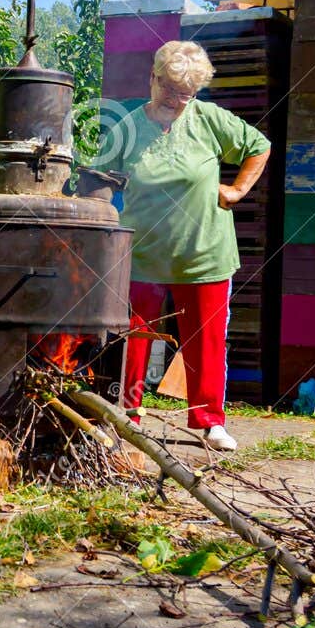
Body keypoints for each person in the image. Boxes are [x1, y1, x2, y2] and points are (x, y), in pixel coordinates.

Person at [113, 40, 271, 451]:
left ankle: (210, 422)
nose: (179, 100)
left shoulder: (209, 119)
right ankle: (125, 413)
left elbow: (259, 146)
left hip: (203, 252)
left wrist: (237, 190)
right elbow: (101, 177)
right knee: (132, 335)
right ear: (153, 78)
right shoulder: (128, 126)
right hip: (143, 255)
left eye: (188, 93)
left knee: (206, 338)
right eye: (170, 89)